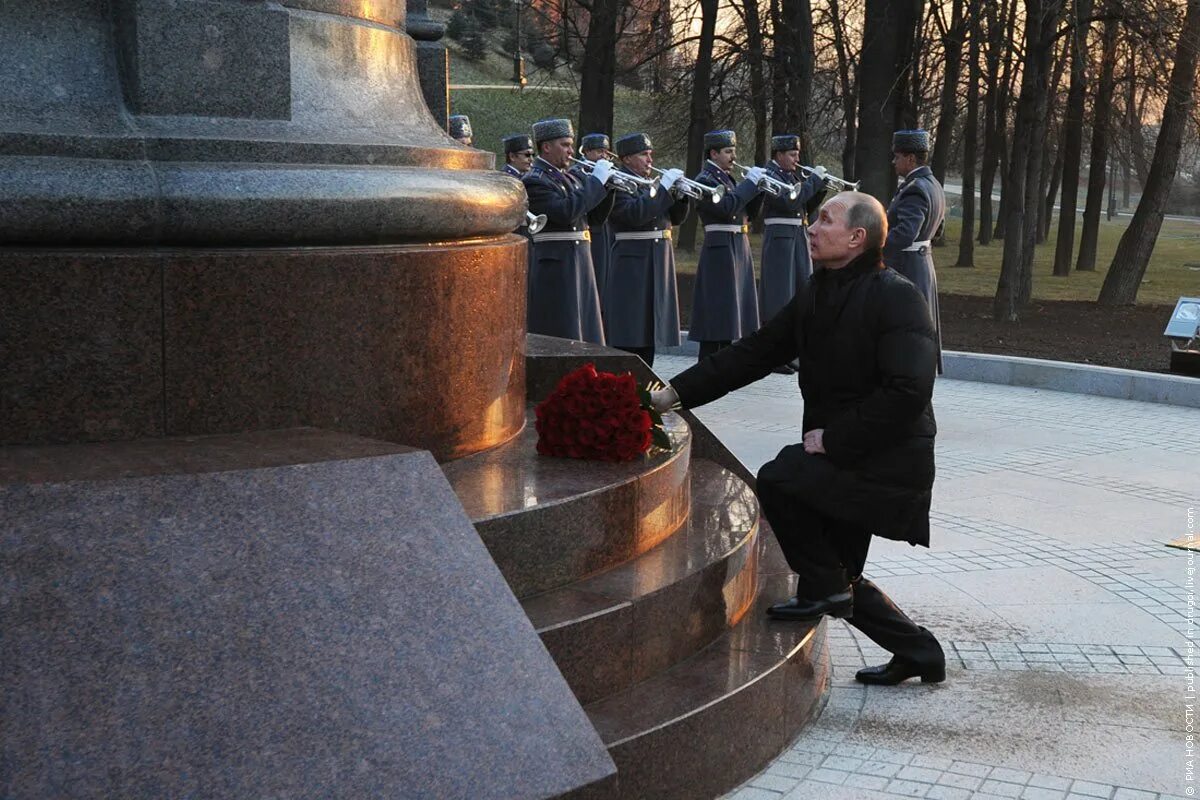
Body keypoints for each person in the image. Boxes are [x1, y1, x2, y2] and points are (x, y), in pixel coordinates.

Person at [650, 191, 947, 687]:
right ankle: (917, 650)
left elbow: (909, 390)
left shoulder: (897, 296)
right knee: (837, 576)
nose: (812, 227)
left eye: (825, 220)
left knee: (781, 480)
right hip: (844, 454)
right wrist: (678, 392)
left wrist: (834, 440)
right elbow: (759, 351)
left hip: (883, 457)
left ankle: (827, 592)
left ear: (857, 237)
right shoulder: (819, 289)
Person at [522, 118, 617, 345]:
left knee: (586, 331)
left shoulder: (572, 178)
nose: (571, 151)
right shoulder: (534, 180)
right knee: (563, 330)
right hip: (557, 266)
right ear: (546, 147)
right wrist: (596, 183)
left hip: (581, 262)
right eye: (564, 145)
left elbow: (594, 218)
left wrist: (608, 187)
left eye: (570, 145)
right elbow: (565, 212)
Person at [603, 132, 691, 368]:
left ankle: (644, 385)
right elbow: (635, 214)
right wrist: (664, 190)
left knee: (649, 330)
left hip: (657, 261)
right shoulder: (618, 183)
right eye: (644, 155)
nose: (650, 160)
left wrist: (680, 197)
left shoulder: (649, 183)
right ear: (627, 158)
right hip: (632, 264)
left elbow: (675, 218)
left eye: (650, 154)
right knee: (630, 329)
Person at [689, 130, 767, 361]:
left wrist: (759, 191)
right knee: (718, 315)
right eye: (728, 151)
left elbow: (747, 214)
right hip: (720, 251)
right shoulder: (705, 180)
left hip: (736, 248)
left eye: (733, 151)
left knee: (732, 317)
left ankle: (722, 366)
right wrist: (750, 185)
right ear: (713, 153)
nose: (733, 156)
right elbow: (727, 208)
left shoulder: (727, 179)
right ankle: (708, 366)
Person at [758, 134, 829, 375]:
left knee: (800, 293)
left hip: (797, 236)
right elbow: (789, 203)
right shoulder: (771, 176)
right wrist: (812, 183)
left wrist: (820, 188)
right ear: (778, 155)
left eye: (797, 154)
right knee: (779, 298)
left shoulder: (792, 176)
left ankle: (791, 353)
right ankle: (774, 356)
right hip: (780, 239)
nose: (797, 158)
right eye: (791, 154)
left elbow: (804, 206)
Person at [884, 129, 945, 373]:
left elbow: (905, 233)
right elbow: (938, 230)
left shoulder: (914, 189)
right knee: (920, 322)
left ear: (910, 159)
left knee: (907, 322)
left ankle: (907, 371)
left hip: (906, 264)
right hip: (922, 262)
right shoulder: (933, 185)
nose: (894, 162)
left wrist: (876, 244)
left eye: (897, 157)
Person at [570, 133, 617, 305]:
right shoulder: (577, 172)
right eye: (599, 151)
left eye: (606, 152)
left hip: (604, 233)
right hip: (589, 235)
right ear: (586, 152)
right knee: (593, 286)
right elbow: (589, 209)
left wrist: (610, 187)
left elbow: (602, 215)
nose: (604, 156)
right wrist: (599, 181)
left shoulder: (603, 171)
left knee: (604, 287)